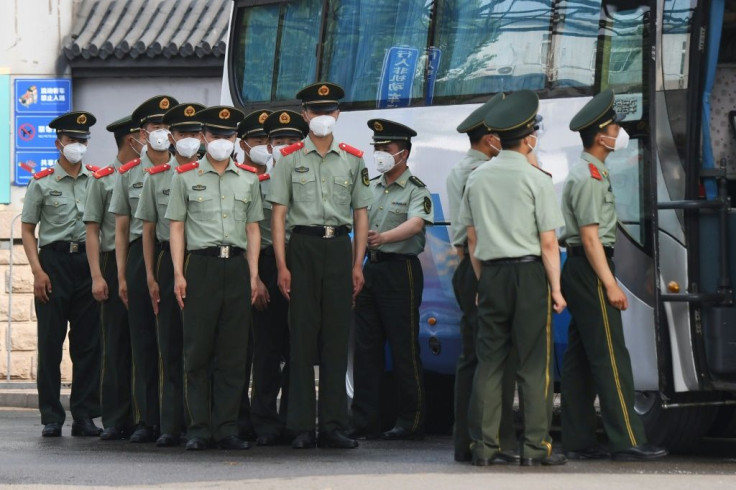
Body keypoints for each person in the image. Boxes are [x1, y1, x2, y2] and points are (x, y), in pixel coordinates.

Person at [459, 90, 567, 466]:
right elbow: (549, 242)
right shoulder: (536, 179)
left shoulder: (477, 178)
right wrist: (556, 288)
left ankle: (484, 448)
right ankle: (536, 447)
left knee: (489, 362)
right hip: (529, 274)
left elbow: (471, 239)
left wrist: (481, 281)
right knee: (534, 364)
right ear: (529, 138)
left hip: (491, 275)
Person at [560, 89, 668, 461]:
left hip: (582, 266)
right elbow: (590, 238)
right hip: (590, 267)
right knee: (610, 354)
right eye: (613, 126)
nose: (618, 131)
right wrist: (610, 284)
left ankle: (576, 439)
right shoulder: (589, 176)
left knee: (579, 356)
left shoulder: (593, 171)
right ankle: (627, 439)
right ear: (599, 135)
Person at [268, 82, 372, 449]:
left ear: (338, 115)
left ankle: (333, 425)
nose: (323, 118)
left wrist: (357, 263)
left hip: (338, 248)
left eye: (329, 112)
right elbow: (278, 215)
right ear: (305, 115)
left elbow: (361, 215)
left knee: (335, 336)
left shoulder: (353, 159)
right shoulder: (290, 158)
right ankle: (299, 426)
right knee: (301, 335)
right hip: (304, 247)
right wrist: (282, 264)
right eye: (316, 112)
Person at [165, 105, 263, 451]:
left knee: (233, 354)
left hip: (236, 267)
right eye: (217, 135)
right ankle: (199, 428)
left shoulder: (248, 179)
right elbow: (176, 228)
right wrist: (178, 272)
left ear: (236, 139)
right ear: (205, 137)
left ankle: (226, 428)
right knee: (198, 352)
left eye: (229, 136)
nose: (223, 141)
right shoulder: (185, 177)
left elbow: (253, 231)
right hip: (201, 267)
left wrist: (253, 275)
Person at [447, 93, 520, 462]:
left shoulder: (460, 168)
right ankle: (494, 439)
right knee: (493, 358)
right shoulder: (481, 171)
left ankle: (467, 441)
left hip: (465, 265)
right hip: (481, 266)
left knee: (472, 357)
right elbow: (476, 233)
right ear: (491, 137)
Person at [349, 119, 432, 441]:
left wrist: (383, 237)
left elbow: (415, 224)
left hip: (402, 271)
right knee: (365, 348)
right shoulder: (370, 185)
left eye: (387, 149)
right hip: (372, 269)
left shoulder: (416, 189)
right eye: (377, 149)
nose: (380, 154)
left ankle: (410, 420)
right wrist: (358, 265)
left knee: (403, 348)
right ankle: (364, 420)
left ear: (404, 153)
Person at [21, 111, 101, 437]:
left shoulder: (97, 179)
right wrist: (37, 272)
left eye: (83, 141)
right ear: (59, 143)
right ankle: (51, 416)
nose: (78, 146)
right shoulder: (41, 182)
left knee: (88, 345)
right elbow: (28, 231)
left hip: (86, 262)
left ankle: (84, 415)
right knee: (51, 344)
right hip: (52, 264)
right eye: (72, 141)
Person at [109, 95, 179, 443]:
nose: (162, 132)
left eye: (168, 126)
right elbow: (122, 229)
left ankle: (175, 420)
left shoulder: (187, 164)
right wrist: (122, 275)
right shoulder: (128, 174)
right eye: (156, 126)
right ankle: (146, 419)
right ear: (142, 132)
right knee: (143, 341)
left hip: (178, 257)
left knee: (176, 342)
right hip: (140, 257)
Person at [134, 102, 204, 447]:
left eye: (194, 132)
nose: (189, 139)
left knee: (201, 348)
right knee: (170, 345)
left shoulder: (213, 173)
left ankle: (199, 424)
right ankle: (170, 424)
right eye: (182, 133)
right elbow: (148, 230)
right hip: (166, 263)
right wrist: (149, 274)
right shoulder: (157, 178)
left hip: (203, 262)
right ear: (172, 138)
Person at [247, 109, 308, 446]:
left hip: (304, 263)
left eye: (291, 141)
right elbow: (251, 232)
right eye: (278, 141)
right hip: (270, 264)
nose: (284, 147)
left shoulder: (311, 181)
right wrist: (255, 278)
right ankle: (265, 423)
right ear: (269, 147)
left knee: (299, 346)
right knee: (267, 349)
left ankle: (294, 420)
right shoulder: (259, 184)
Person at [83, 115, 142, 440]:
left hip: (137, 259)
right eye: (142, 135)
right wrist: (96, 276)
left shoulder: (146, 174)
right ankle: (116, 417)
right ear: (130, 139)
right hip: (109, 261)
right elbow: (92, 231)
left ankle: (141, 414)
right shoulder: (103, 179)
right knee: (115, 342)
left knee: (142, 342)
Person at [234, 109, 271, 442]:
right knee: (241, 346)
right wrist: (253, 275)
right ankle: (240, 418)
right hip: (242, 264)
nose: (265, 146)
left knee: (269, 347)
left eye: (268, 140)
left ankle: (266, 419)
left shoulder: (278, 175)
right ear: (244, 144)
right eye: (259, 140)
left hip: (275, 263)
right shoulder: (238, 177)